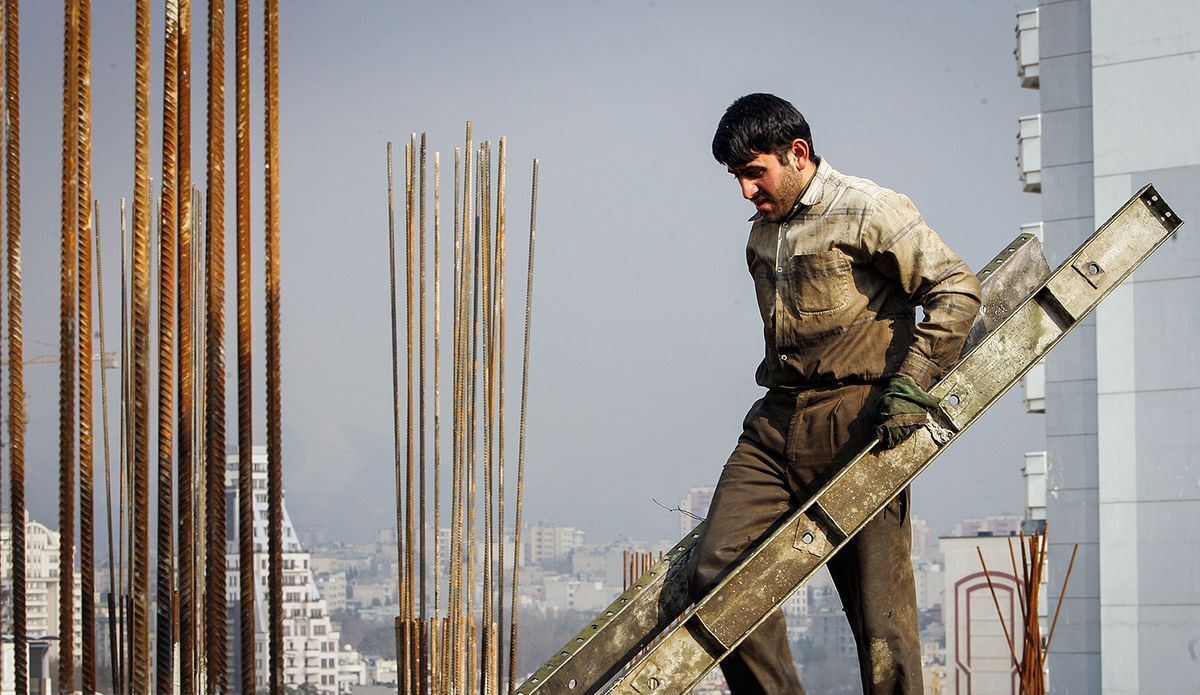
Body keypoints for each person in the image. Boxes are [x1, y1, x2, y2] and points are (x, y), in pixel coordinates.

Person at [688, 93, 982, 694]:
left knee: (882, 622)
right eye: (736, 177)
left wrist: (911, 385)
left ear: (796, 153)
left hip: (860, 423)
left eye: (753, 172)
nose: (745, 190)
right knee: (715, 571)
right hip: (776, 424)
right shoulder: (762, 235)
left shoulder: (866, 208)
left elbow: (957, 289)